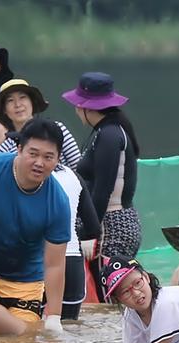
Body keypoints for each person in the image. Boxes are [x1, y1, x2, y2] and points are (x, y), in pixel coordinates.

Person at [0, 118, 70, 335]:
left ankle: (27, 334)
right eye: (33, 154)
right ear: (19, 149)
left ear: (58, 159)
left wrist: (54, 317)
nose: (39, 163)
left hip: (25, 281)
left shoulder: (58, 202)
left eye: (48, 157)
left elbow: (54, 264)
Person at [62, 72, 142, 293]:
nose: (76, 110)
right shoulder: (108, 131)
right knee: (110, 297)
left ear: (88, 108)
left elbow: (102, 190)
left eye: (78, 105)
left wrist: (91, 233)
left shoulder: (108, 135)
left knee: (108, 295)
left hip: (110, 226)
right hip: (113, 222)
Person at [49, 163, 101, 320]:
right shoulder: (72, 175)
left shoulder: (24, 178)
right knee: (69, 331)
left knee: (33, 332)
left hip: (39, 263)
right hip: (72, 262)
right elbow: (93, 227)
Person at [0, 79, 81, 170]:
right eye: (10, 100)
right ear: (4, 109)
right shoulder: (4, 149)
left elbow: (78, 167)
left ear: (32, 102)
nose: (17, 104)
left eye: (22, 97)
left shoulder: (57, 129)